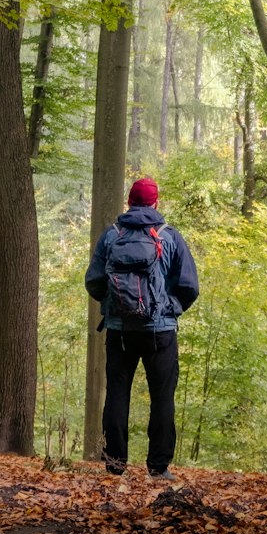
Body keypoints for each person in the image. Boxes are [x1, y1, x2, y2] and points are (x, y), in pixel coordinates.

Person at [85, 176, 199, 479]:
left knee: (117, 393)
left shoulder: (111, 236)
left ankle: (115, 465)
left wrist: (112, 305)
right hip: (159, 331)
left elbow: (93, 281)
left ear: (129, 201)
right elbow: (189, 286)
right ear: (156, 202)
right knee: (162, 397)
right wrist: (170, 308)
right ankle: (158, 468)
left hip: (120, 331)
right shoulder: (169, 236)